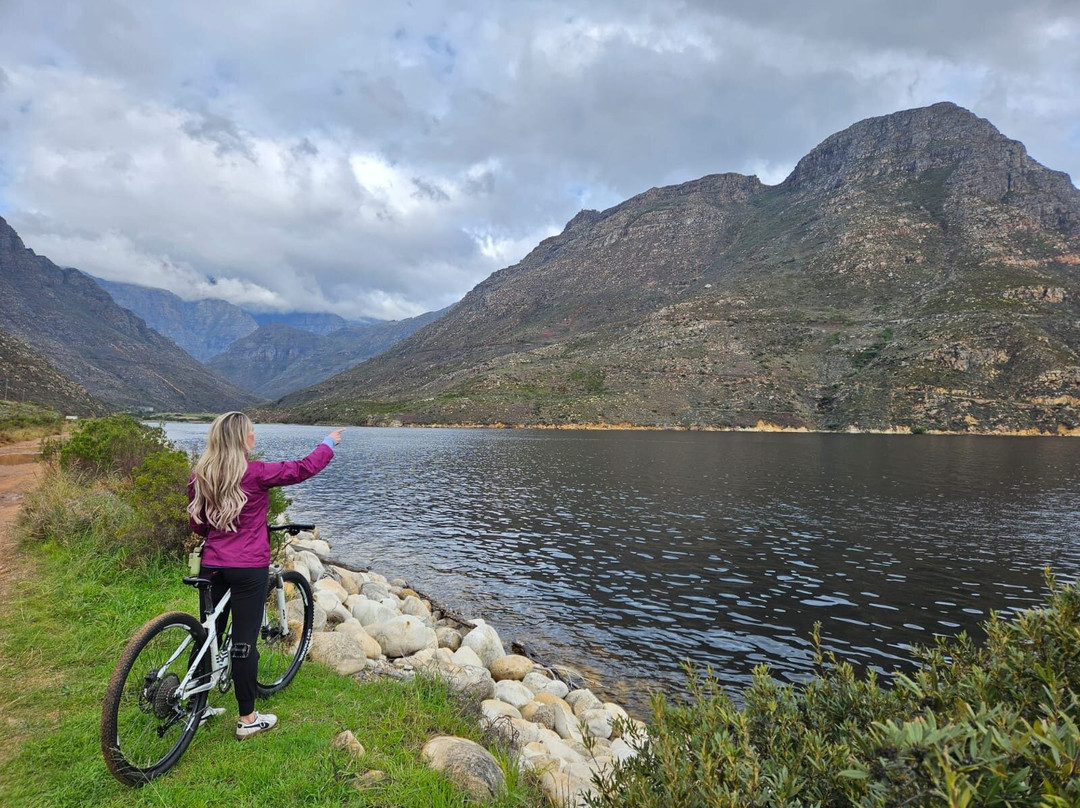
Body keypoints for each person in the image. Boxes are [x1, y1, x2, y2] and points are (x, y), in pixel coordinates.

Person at [187, 411, 344, 740]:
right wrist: (328, 443)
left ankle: (195, 708)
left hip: (213, 566)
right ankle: (247, 718)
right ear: (241, 438)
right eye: (251, 432)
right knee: (243, 642)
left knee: (209, 632)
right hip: (247, 567)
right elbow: (302, 468)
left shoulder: (200, 475)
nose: (255, 435)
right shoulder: (255, 473)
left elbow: (198, 526)